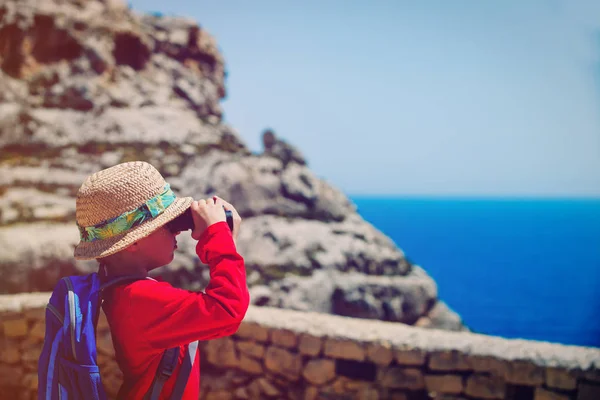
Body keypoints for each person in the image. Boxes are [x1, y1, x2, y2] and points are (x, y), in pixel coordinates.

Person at [73, 160, 249, 399]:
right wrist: (218, 237)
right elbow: (228, 310)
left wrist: (223, 237)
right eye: (168, 224)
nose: (177, 230)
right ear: (134, 240)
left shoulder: (121, 292)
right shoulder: (139, 298)